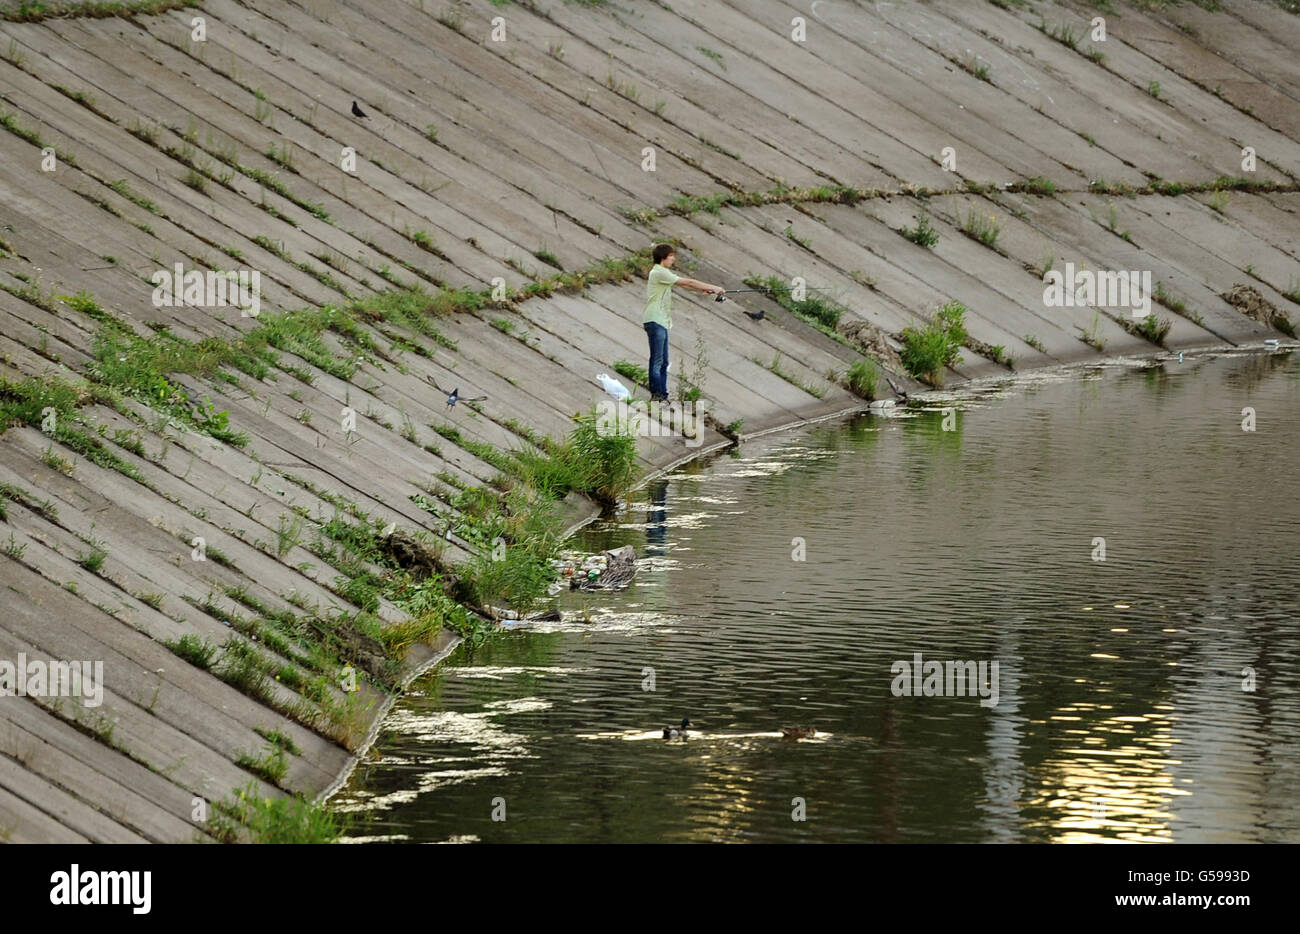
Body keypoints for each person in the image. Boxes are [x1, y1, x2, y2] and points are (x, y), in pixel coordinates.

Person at [643, 244, 725, 402]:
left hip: (662, 321)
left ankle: (663, 395)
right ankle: (657, 395)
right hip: (655, 319)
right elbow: (689, 282)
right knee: (657, 359)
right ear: (663, 257)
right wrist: (714, 287)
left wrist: (704, 290)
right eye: (671, 256)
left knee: (664, 361)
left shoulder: (663, 273)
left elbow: (686, 286)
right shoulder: (658, 272)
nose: (673, 259)